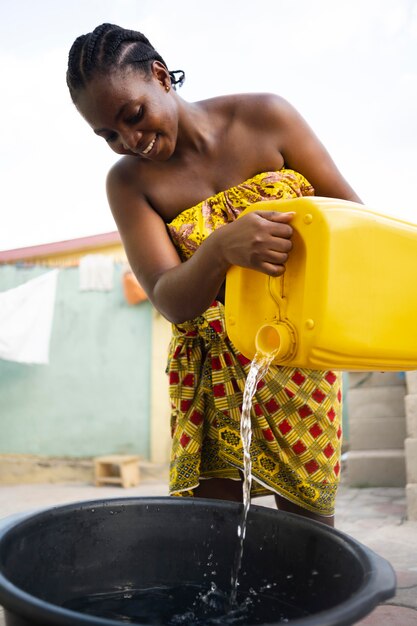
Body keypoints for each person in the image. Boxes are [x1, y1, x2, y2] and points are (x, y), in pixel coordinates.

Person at [67, 23, 361, 528]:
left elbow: (351, 221)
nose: (129, 141)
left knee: (310, 536)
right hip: (211, 373)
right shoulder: (129, 183)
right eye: (108, 135)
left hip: (296, 359)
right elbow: (168, 297)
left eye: (132, 116)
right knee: (212, 544)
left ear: (160, 76)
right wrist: (221, 248)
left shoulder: (266, 118)